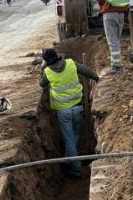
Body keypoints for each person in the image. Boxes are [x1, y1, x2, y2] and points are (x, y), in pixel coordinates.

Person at [38, 47, 100, 178]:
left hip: (63, 111)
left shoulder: (47, 71)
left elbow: (42, 83)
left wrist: (42, 68)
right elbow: (86, 71)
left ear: (46, 61)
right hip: (78, 107)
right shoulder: (71, 63)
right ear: (57, 55)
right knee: (75, 134)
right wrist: (97, 78)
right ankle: (69, 156)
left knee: (69, 140)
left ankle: (75, 168)